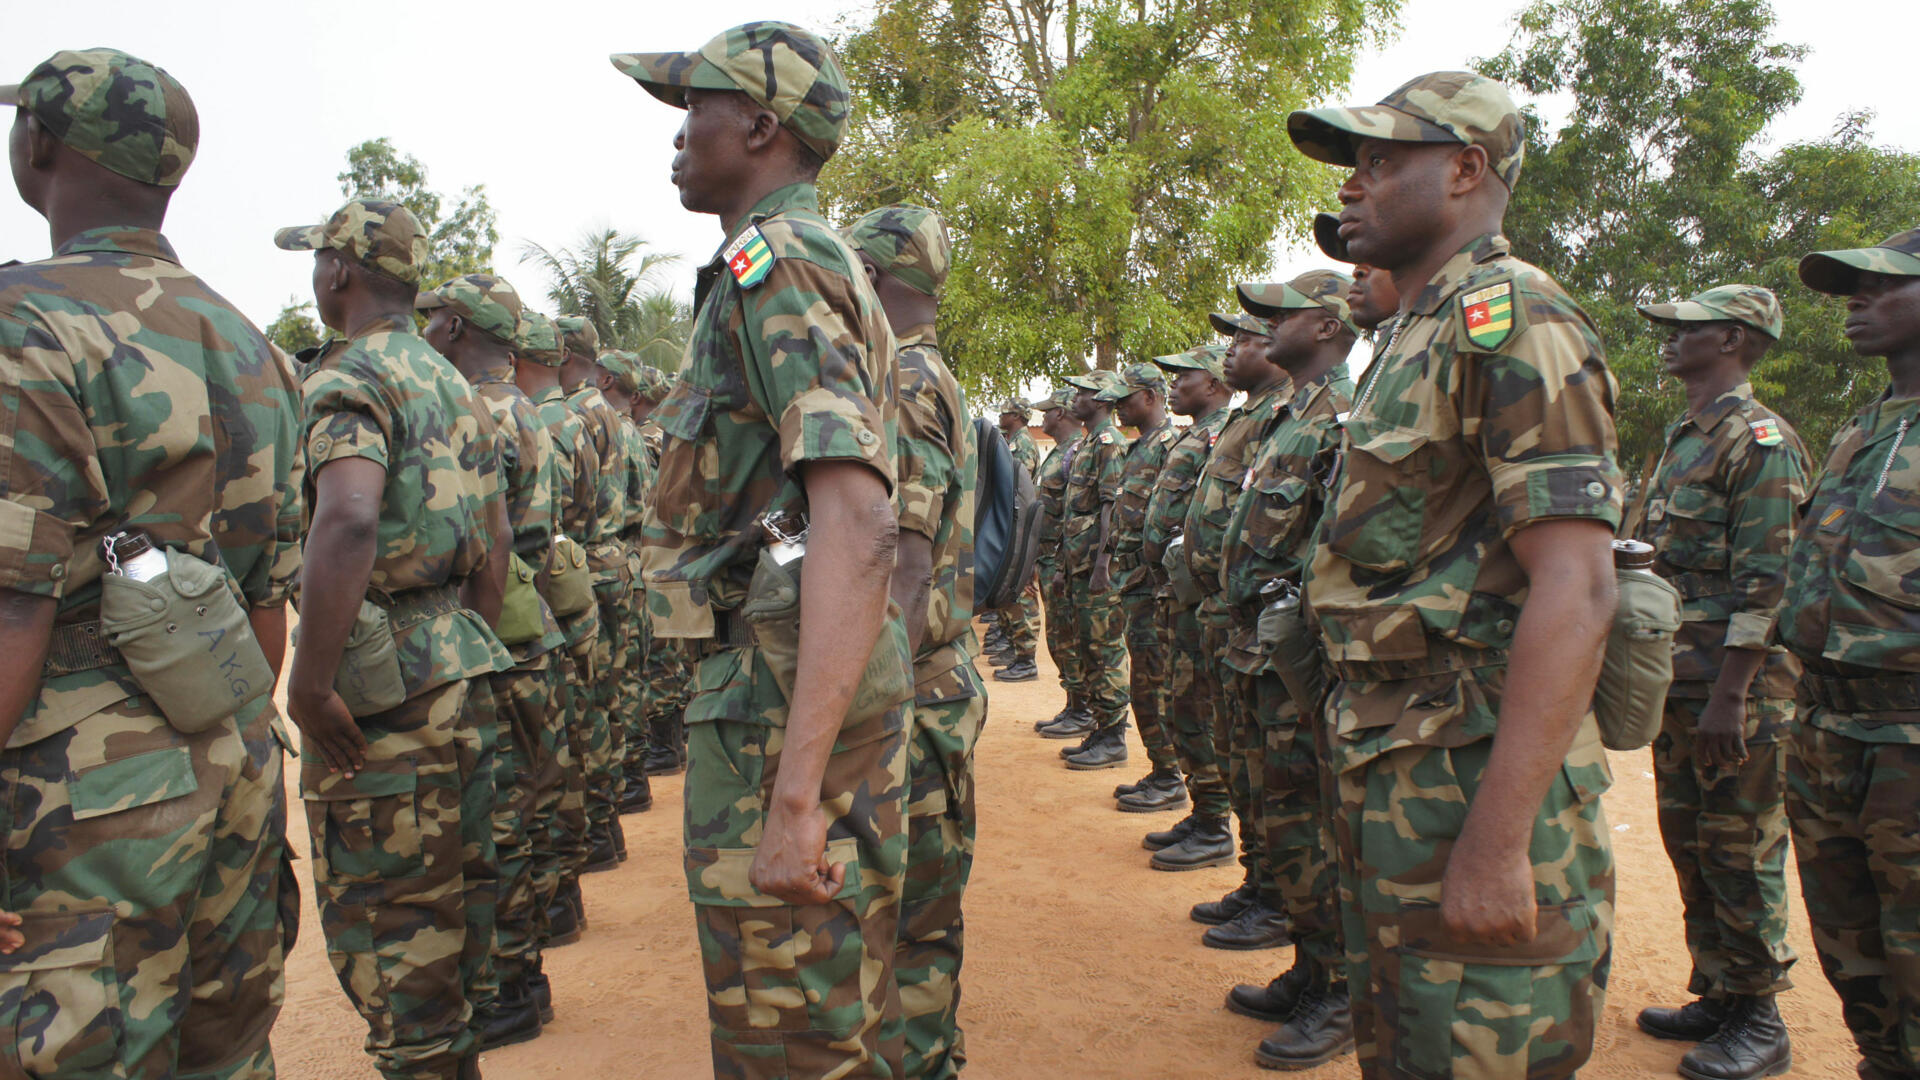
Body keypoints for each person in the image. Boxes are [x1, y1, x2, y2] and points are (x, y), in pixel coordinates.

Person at [1290, 70, 1622, 1078]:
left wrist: (1497, 840)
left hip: (1470, 777)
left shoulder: (1517, 317)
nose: (1356, 186)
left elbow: (1579, 586)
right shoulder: (1415, 331)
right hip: (1397, 771)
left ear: (1468, 168)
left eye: (1382, 161)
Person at [613, 21, 915, 1077]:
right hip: (778, 687)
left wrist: (793, 799)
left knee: (789, 1044)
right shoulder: (779, 263)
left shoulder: (777, 263)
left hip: (773, 705)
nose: (679, 131)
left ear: (761, 124)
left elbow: (859, 517)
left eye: (696, 106)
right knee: (823, 1025)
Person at [0, 47, 300, 1080]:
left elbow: (11, 605)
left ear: (37, 141)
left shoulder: (23, 320)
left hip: (76, 786)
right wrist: (242, 755)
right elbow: (268, 602)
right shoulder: (249, 341)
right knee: (225, 1055)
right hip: (231, 755)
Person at [276, 197, 513, 1080]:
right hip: (457, 665)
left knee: (391, 938)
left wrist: (309, 682)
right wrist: (451, 638)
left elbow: (344, 521)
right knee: (451, 929)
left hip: (381, 697)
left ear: (338, 271)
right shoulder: (453, 383)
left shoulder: (349, 378)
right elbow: (493, 549)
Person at [1625, 285, 1805, 1080]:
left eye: (1684, 329)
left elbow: (1769, 583)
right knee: (1692, 842)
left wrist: (1732, 694)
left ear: (1732, 339)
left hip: (1737, 694)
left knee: (1741, 846)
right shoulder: (1683, 436)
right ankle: (1723, 989)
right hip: (1681, 680)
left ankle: (1761, 1016)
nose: (1668, 338)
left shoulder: (1758, 442)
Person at [418, 272, 575, 1048]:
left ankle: (510, 988)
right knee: (525, 807)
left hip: (493, 629)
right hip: (526, 619)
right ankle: (525, 979)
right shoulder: (526, 413)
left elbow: (490, 542)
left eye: (429, 318)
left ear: (452, 329)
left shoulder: (480, 411)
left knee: (499, 819)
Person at [847, 203, 984, 1079]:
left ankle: (926, 1061)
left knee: (906, 920)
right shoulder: (929, 374)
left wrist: (858, 709)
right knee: (920, 917)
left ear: (873, 276)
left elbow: (901, 558)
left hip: (910, 695)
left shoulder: (904, 380)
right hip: (930, 685)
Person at [1779, 227, 1920, 1080]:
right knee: (1850, 945)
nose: (1856, 301)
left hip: (1909, 734)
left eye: (1882, 286)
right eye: (1850, 287)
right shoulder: (1863, 428)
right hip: (1827, 725)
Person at [1219, 271, 1359, 1067]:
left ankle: (1340, 988)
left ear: (1331, 326)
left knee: (1310, 820)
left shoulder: (1339, 417)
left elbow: (1336, 541)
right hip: (1257, 645)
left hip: (1296, 655)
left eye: (1283, 312)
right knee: (1281, 818)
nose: (1265, 324)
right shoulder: (1292, 414)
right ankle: (1311, 968)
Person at [1178, 302, 1293, 951]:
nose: (1240, 345)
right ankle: (1260, 882)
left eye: (1250, 336)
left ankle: (1280, 902)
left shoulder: (1315, 413)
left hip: (1262, 626)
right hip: (1226, 616)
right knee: (1244, 761)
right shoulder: (1264, 416)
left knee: (1279, 777)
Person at [1133, 345, 1237, 866]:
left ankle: (1216, 822)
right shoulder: (1197, 434)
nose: (1174, 385)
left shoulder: (1223, 434)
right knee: (1181, 703)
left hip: (1198, 595)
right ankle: (1203, 812)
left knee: (1197, 706)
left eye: (1185, 377)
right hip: (1174, 591)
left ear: (1214, 384)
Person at [513, 311, 597, 947]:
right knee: (577, 726)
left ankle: (551, 901)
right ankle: (567, 887)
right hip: (581, 571)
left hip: (530, 592)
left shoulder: (532, 419)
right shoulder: (578, 421)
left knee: (538, 757)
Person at [557, 316, 632, 868]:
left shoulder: (570, 415)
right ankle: (608, 822)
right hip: (615, 558)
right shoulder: (614, 418)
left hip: (583, 564)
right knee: (609, 694)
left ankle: (596, 828)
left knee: (583, 703)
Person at [1101, 363, 1185, 808]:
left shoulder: (1172, 446)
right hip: (1134, 584)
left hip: (1156, 588)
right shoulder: (1138, 449)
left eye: (1126, 398)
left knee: (1157, 684)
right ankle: (1160, 770)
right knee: (1143, 684)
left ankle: (1171, 777)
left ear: (1152, 397)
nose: (1118, 407)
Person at [1052, 369, 1133, 769]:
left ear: (1101, 401)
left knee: (1104, 651)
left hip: (1095, 567)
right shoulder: (1086, 443)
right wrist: (1067, 567)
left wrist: (1104, 563)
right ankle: (1101, 728)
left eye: (1082, 392)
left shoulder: (1109, 443)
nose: (1074, 397)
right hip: (1078, 565)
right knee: (1087, 648)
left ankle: (1115, 735)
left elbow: (1110, 507)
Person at [593, 349, 661, 812]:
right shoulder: (632, 434)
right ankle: (633, 779)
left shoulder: (585, 423)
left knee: (603, 684)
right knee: (630, 674)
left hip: (600, 559)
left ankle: (617, 790)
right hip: (631, 556)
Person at [629, 364, 694, 776]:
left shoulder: (651, 436)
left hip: (660, 548)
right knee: (670, 651)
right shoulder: (656, 435)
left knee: (662, 650)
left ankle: (666, 747)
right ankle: (670, 742)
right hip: (668, 549)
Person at [1032, 390, 1087, 728]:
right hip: (1048, 558)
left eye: (1048, 411)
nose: (1043, 418)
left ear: (1062, 414)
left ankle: (1084, 709)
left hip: (1061, 559)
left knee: (1069, 636)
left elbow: (1075, 512)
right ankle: (1074, 702)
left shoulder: (1075, 454)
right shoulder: (1058, 454)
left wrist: (1064, 562)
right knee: (1058, 637)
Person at [988, 401, 1043, 682]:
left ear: (1017, 416)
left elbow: (1019, 488)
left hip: (1019, 525)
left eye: (1005, 412)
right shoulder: (1013, 440)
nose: (1000, 416)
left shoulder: (1022, 443)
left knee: (1022, 592)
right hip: (1014, 524)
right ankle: (1015, 648)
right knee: (1011, 589)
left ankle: (1025, 657)